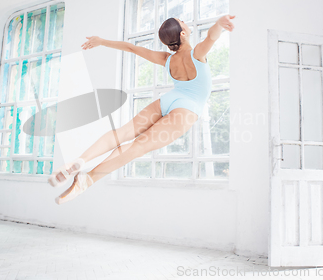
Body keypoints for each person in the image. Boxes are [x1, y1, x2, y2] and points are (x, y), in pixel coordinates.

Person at [48, 14, 236, 204]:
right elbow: (212, 37)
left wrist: (101, 41)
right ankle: (87, 179)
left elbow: (131, 47)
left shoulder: (166, 59)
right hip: (187, 108)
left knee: (123, 132)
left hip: (168, 99)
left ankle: (80, 160)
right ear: (183, 33)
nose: (185, 22)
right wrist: (219, 24)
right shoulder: (197, 54)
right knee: (138, 147)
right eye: (182, 22)